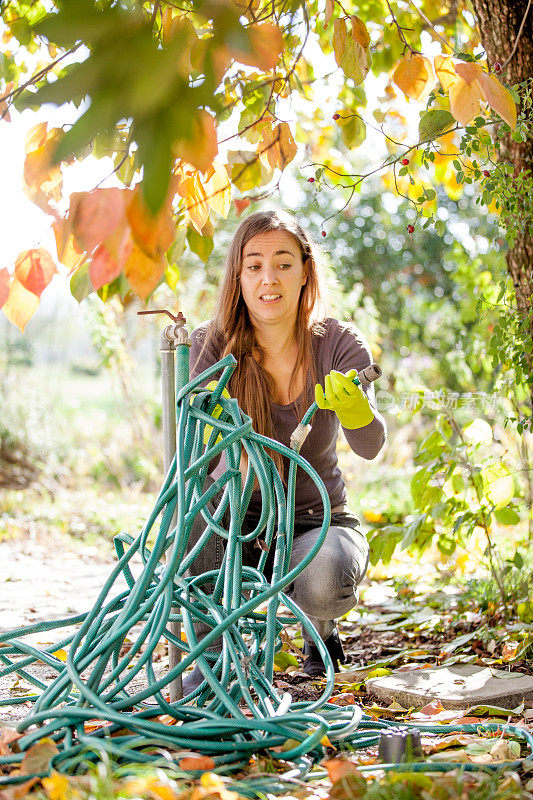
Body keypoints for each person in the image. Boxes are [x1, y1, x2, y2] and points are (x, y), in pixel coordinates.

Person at [184, 209, 386, 692]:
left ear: (305, 271)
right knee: (190, 520)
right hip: (235, 519)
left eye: (283, 263)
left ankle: (319, 630)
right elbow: (191, 454)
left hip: (319, 523)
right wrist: (226, 451)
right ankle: (214, 658)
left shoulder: (337, 343)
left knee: (323, 579)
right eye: (253, 265)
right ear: (238, 275)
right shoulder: (210, 346)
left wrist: (356, 408)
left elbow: (371, 444)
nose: (268, 279)